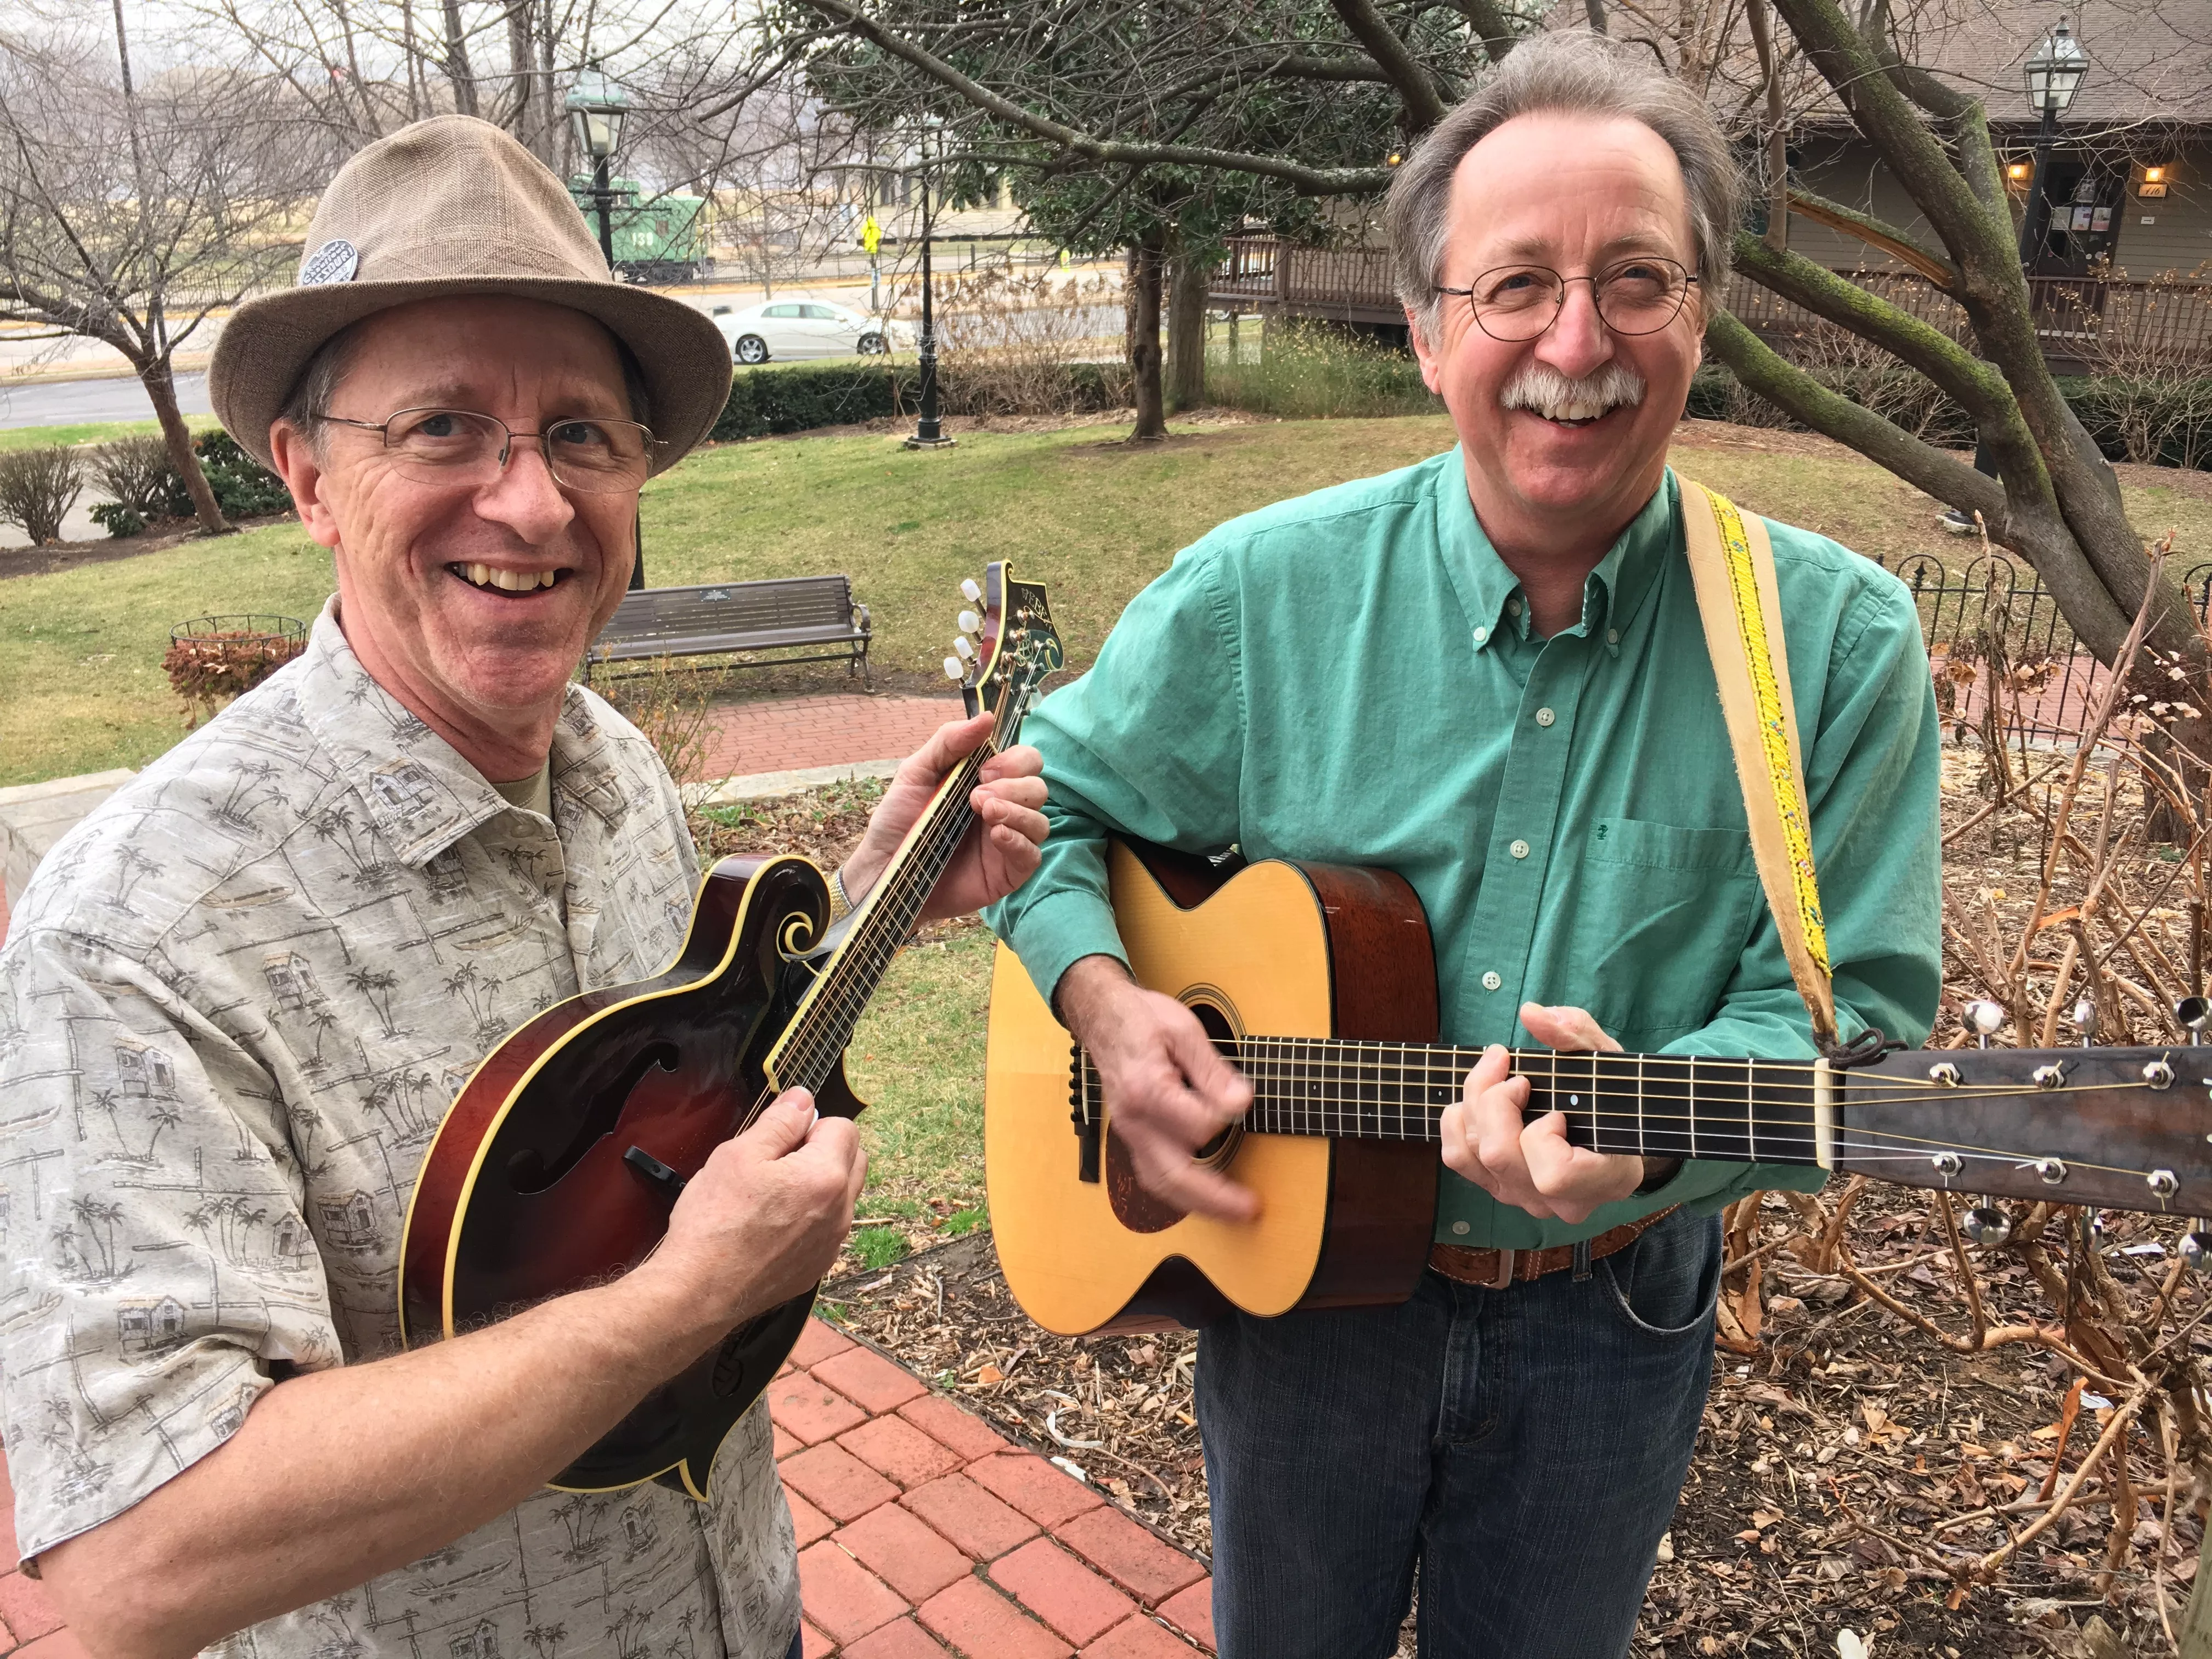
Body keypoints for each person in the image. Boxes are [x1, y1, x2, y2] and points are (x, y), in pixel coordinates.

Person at [0, 116, 1047, 1659]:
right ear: (305, 475)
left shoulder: (610, 759)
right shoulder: (137, 933)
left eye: (582, 435)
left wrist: (881, 886)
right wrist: (680, 1307)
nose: (534, 504)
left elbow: (677, 1110)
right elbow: (133, 1556)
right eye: (440, 428)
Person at [986, 31, 1940, 1659]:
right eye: (1516, 286)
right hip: (1301, 1324)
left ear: (1700, 318)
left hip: (1612, 1323)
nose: (1579, 338)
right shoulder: (1253, 598)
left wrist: (1646, 1136)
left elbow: (1846, 1019)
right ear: (1429, 334)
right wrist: (1097, 999)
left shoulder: (1833, 649)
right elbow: (1035, 805)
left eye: (1637, 276)